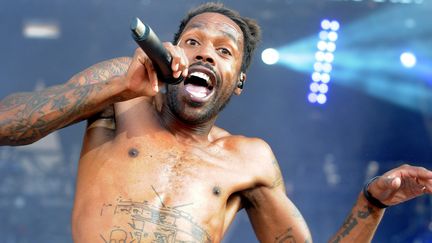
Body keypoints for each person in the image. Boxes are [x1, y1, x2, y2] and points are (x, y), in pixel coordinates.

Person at [0, 2, 431, 242]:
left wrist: (370, 204)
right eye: (193, 42)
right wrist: (115, 86)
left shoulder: (248, 160)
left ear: (238, 81)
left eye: (224, 51)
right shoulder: (119, 94)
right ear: (171, 53)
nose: (206, 53)